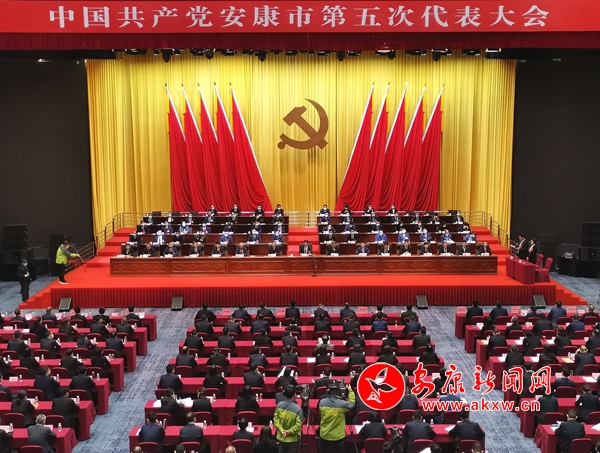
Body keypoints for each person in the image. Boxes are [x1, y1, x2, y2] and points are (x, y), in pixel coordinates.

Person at [317, 383, 355, 453]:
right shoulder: (342, 404)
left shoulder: (322, 402)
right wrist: (350, 391)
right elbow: (352, 404)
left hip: (325, 435)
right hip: (337, 437)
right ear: (339, 392)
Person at [274, 383, 303, 453]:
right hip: (293, 440)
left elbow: (276, 419)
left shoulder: (279, 405)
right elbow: (298, 425)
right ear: (295, 395)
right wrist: (289, 432)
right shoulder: (298, 409)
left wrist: (281, 430)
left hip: (281, 437)